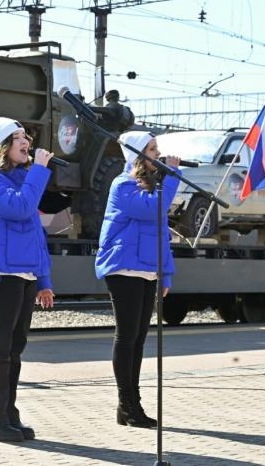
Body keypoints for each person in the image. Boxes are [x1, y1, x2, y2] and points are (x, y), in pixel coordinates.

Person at [0, 117, 56, 443]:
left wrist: (43, 279)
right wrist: (39, 171)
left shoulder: (23, 180)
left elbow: (35, 235)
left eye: (26, 136)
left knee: (14, 349)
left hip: (23, 272)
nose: (26, 141)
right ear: (1, 145)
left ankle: (6, 414)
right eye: (17, 137)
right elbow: (19, 208)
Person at [95, 131, 181, 429]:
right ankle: (128, 403)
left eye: (157, 148)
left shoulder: (152, 187)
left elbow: (161, 235)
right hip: (124, 268)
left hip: (147, 270)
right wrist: (173, 176)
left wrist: (165, 272)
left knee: (139, 339)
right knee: (127, 336)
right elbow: (153, 210)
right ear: (137, 154)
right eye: (152, 149)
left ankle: (131, 405)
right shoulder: (123, 185)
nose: (158, 153)